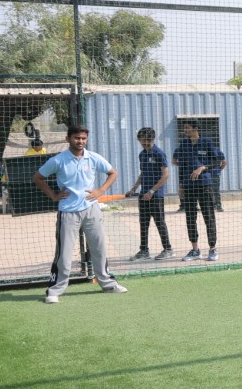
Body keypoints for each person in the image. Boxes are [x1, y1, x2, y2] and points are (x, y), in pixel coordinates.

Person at [33, 125, 127, 302]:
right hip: (68, 212)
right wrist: (53, 195)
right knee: (64, 254)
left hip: (92, 210)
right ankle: (54, 291)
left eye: (83, 138)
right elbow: (38, 177)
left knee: (99, 248)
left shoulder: (93, 157)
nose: (80, 141)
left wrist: (100, 191)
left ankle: (108, 284)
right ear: (68, 139)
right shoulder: (58, 160)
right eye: (77, 138)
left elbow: (113, 173)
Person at [173, 120, 225, 261]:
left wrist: (202, 167)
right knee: (190, 217)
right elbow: (181, 166)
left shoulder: (206, 142)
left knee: (208, 216)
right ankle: (195, 250)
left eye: (187, 128)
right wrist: (181, 185)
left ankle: (212, 249)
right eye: (184, 128)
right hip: (189, 186)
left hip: (204, 185)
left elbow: (217, 161)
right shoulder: (184, 144)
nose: (185, 130)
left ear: (196, 129)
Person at [124, 127, 174, 260]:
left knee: (159, 222)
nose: (144, 143)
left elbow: (166, 175)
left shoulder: (159, 153)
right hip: (143, 194)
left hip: (156, 195)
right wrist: (134, 189)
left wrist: (152, 191)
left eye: (146, 140)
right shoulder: (142, 154)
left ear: (152, 139)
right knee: (143, 223)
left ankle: (168, 249)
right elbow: (143, 174)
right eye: (141, 140)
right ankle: (144, 251)